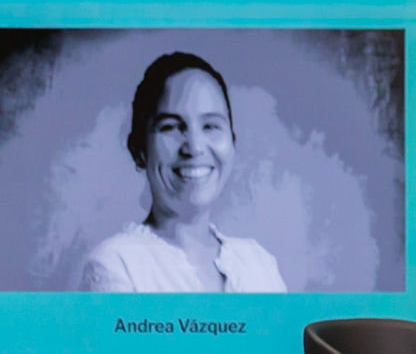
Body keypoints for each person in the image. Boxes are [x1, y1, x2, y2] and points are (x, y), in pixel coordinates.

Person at [83, 52, 285, 293]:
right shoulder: (116, 265)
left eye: (210, 125)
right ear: (139, 150)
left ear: (232, 143)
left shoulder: (259, 264)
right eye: (170, 127)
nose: (195, 147)